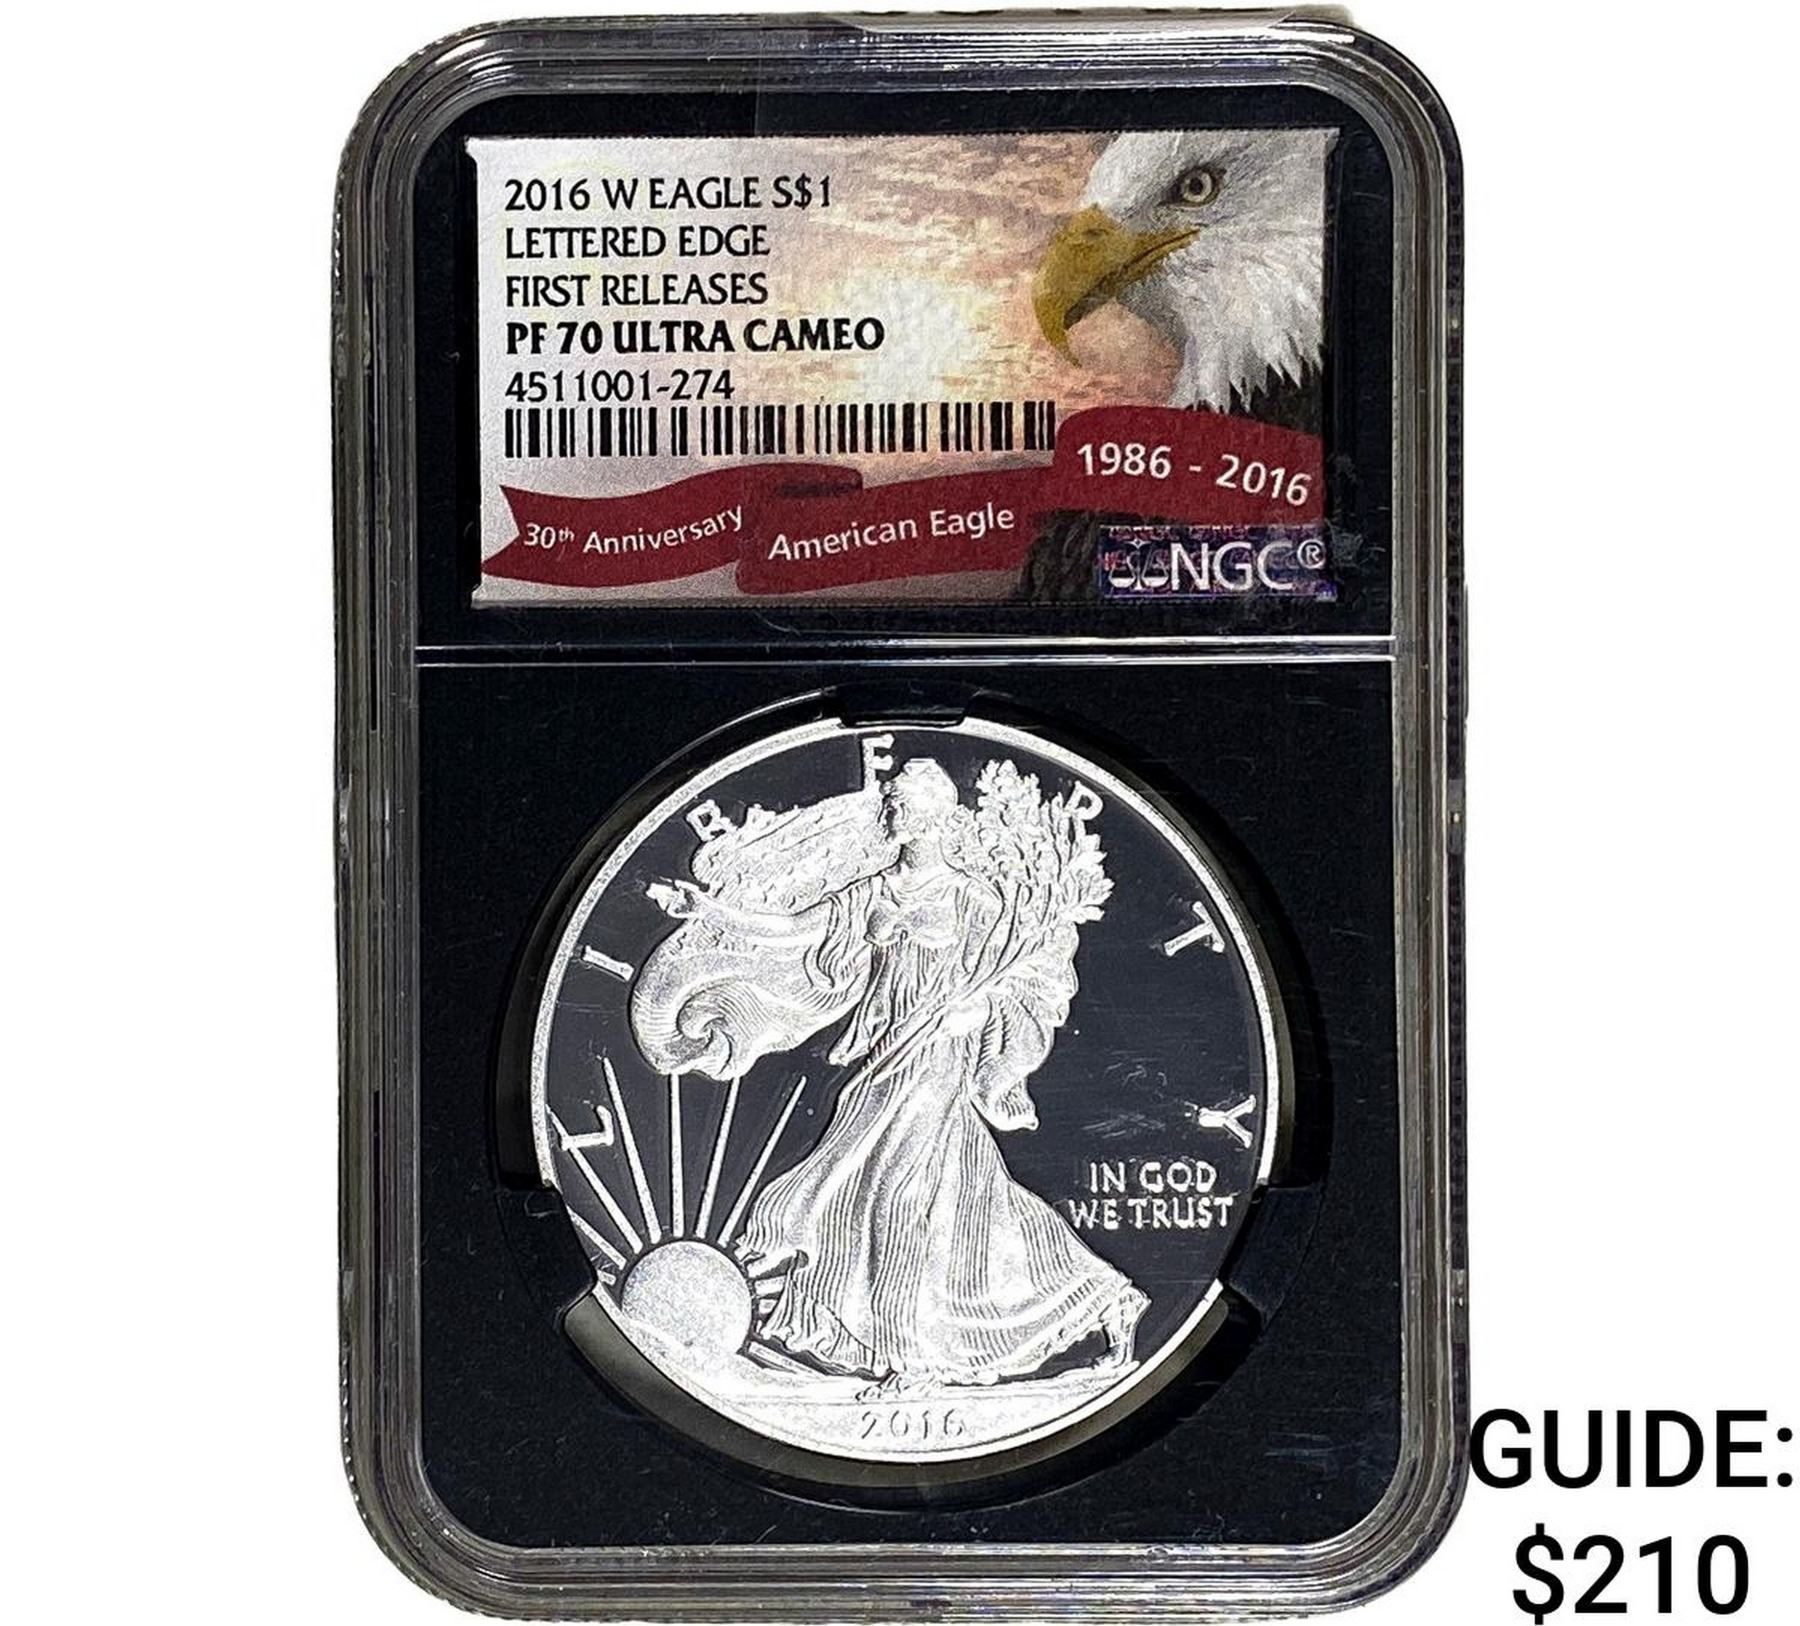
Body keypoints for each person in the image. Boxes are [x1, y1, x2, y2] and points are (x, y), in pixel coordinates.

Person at [646, 758, 1146, 1394]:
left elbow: (1022, 979)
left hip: (939, 1056)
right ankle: (1105, 1297)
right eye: (892, 803)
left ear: (934, 816)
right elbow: (794, 932)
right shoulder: (873, 891)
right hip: (885, 1057)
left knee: (898, 1197)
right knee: (964, 1199)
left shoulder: (973, 900)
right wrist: (712, 911)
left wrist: (978, 1010)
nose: (893, 813)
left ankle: (914, 1360)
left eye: (904, 804)